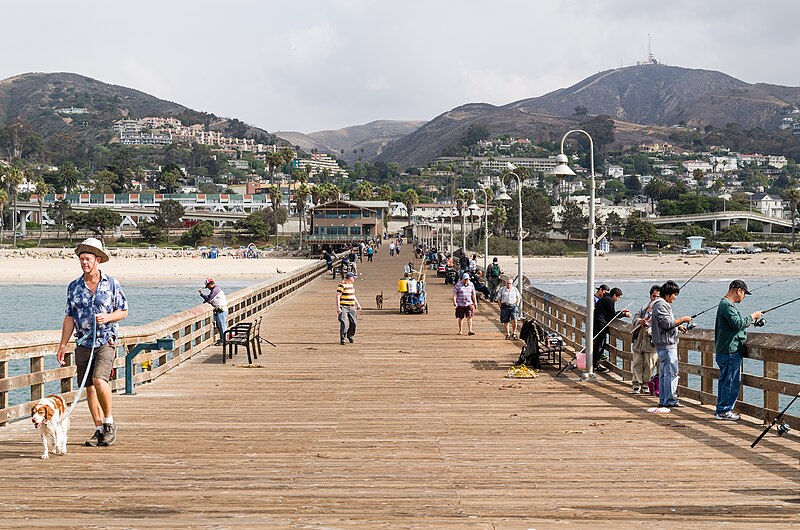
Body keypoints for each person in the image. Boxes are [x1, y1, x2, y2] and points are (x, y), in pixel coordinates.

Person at [56, 238, 128, 447]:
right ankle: (98, 429)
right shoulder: (74, 287)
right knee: (88, 387)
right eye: (81, 259)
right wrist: (62, 345)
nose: (84, 263)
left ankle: (108, 422)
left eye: (87, 259)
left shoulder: (112, 283)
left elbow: (124, 311)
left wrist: (108, 318)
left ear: (98, 260)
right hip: (84, 342)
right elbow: (69, 317)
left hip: (106, 339)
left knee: (99, 380)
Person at [714, 280, 763, 421]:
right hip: (730, 350)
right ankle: (724, 411)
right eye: (744, 293)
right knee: (731, 382)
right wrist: (753, 316)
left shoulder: (725, 304)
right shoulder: (727, 305)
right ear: (738, 290)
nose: (744, 297)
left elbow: (735, 325)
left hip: (725, 349)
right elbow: (737, 324)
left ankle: (721, 409)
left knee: (725, 381)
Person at [651, 280, 693, 412]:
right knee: (671, 373)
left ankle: (664, 400)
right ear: (668, 294)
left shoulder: (660, 305)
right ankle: (669, 400)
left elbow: (666, 325)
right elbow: (666, 324)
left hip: (664, 344)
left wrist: (677, 327)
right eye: (674, 294)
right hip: (667, 345)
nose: (675, 297)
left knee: (665, 373)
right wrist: (683, 319)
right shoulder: (661, 305)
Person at [592, 287, 631, 372]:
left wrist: (621, 312)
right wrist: (624, 314)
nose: (618, 299)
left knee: (599, 344)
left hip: (597, 324)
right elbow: (612, 316)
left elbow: (610, 314)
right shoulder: (609, 300)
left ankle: (595, 364)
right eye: (618, 297)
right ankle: (595, 365)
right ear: (614, 295)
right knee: (600, 345)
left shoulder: (604, 299)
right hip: (600, 325)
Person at [631, 285, 660, 393]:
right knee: (637, 363)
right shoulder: (644, 308)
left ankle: (645, 385)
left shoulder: (662, 310)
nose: (655, 298)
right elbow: (635, 318)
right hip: (639, 341)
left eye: (658, 297)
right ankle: (636, 385)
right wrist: (640, 321)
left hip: (651, 343)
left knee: (649, 365)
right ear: (650, 296)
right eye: (653, 296)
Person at [199, 278, 228, 346]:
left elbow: (209, 299)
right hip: (221, 310)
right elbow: (210, 298)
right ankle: (222, 340)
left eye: (208, 286)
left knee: (222, 326)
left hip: (221, 310)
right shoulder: (216, 289)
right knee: (219, 326)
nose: (208, 288)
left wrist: (202, 294)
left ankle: (224, 341)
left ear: (210, 284)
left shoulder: (215, 290)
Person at [336, 271, 362, 345]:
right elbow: (338, 296)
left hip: (352, 306)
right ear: (350, 278)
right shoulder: (341, 285)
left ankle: (350, 335)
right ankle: (343, 338)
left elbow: (353, 295)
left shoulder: (351, 285)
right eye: (353, 278)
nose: (354, 279)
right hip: (344, 306)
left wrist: (357, 304)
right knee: (344, 322)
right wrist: (338, 307)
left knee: (353, 322)